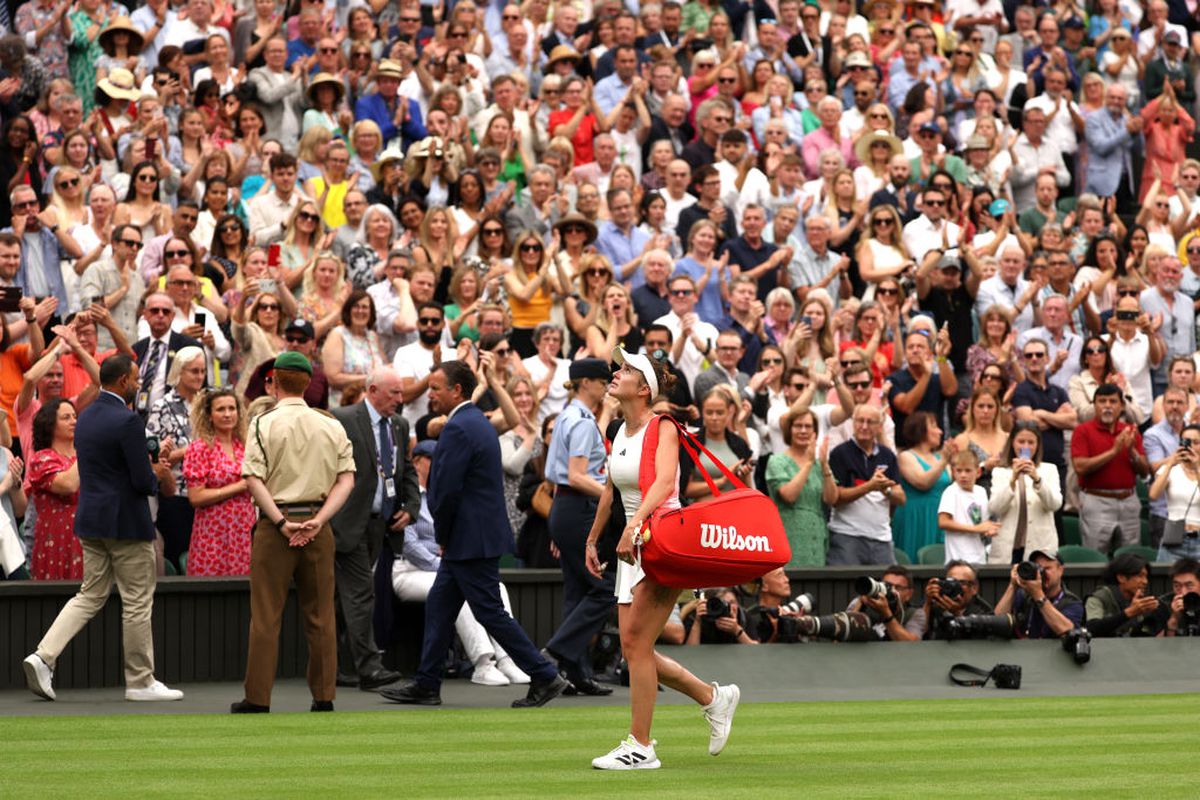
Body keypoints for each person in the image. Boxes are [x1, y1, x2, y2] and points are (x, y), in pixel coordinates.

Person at [584, 347, 740, 769]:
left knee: (635, 645)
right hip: (630, 546)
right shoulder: (618, 430)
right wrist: (593, 538)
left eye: (627, 369)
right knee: (638, 649)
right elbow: (610, 490)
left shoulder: (665, 427)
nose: (616, 373)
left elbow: (667, 483)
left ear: (644, 388)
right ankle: (714, 697)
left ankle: (641, 745)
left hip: (660, 543)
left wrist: (634, 528)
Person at [381, 361, 567, 708]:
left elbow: (445, 491)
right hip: (473, 538)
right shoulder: (475, 423)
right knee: (440, 605)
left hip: (468, 540)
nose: (430, 394)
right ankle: (427, 682)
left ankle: (544, 674)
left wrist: (445, 534)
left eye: (436, 388)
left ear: (457, 391)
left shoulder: (459, 428)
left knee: (490, 612)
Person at [23, 354, 181, 703]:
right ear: (124, 381)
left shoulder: (88, 415)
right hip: (126, 523)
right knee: (137, 601)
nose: (139, 384)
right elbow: (141, 480)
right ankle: (140, 681)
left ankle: (43, 655)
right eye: (136, 379)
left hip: (91, 523)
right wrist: (156, 472)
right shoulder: (127, 421)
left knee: (89, 595)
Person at [233, 351, 355, 713]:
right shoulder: (331, 424)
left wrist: (283, 523)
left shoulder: (263, 423)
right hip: (319, 523)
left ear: (273, 381)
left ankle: (257, 698)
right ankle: (324, 696)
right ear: (308, 383)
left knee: (266, 616)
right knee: (321, 616)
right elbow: (347, 479)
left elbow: (252, 478)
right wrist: (319, 520)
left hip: (276, 526)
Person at [391, 438, 531, 686]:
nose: (437, 465)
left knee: (498, 587)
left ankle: (507, 659)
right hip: (407, 571)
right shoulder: (406, 496)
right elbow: (410, 545)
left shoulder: (443, 494)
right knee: (464, 588)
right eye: (431, 459)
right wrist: (448, 565)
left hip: (445, 566)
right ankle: (483, 663)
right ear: (416, 461)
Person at [328, 368, 419, 692]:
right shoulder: (342, 418)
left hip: (380, 526)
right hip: (346, 524)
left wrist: (411, 507)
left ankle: (335, 666)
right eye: (394, 393)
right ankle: (369, 668)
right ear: (374, 389)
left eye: (401, 393)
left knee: (346, 597)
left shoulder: (399, 424)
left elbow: (405, 469)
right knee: (361, 593)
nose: (400, 399)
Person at [541, 358, 613, 696]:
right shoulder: (582, 421)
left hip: (565, 507)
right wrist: (614, 497)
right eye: (602, 381)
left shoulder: (567, 416)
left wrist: (561, 522)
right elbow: (577, 476)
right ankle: (556, 652)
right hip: (578, 505)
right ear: (586, 382)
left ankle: (575, 674)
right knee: (604, 588)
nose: (606, 386)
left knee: (576, 592)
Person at [183, 387, 255, 576]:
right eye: (220, 409)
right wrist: (238, 487)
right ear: (209, 415)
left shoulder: (247, 446)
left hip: (243, 530)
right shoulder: (200, 448)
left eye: (232, 409)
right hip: (212, 532)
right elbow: (195, 497)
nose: (227, 414)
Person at [1071, 383, 1150, 554]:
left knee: (1130, 557)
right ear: (1094, 405)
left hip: (1128, 500)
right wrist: (1114, 450)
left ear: (1121, 406)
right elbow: (1080, 467)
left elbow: (1144, 471)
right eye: (1102, 401)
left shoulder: (1130, 431)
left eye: (1113, 401)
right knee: (1095, 556)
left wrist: (1131, 450)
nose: (1107, 406)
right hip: (1096, 499)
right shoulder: (1082, 431)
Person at [826, 404, 906, 566]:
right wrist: (869, 486)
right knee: (845, 588)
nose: (864, 426)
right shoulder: (840, 453)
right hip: (847, 536)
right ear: (853, 423)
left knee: (888, 588)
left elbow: (901, 498)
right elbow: (836, 498)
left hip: (881, 538)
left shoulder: (887, 455)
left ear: (879, 427)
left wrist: (886, 489)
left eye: (870, 422)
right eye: (860, 421)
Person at [988, 422, 1063, 564]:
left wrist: (1037, 479)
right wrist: (1012, 480)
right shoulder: (1000, 472)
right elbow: (995, 508)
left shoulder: (1049, 470)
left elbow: (1054, 504)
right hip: (1008, 549)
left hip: (1040, 548)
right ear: (1012, 443)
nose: (1026, 447)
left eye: (1031, 442)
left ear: (1038, 445)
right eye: (1021, 441)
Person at [766, 409, 829, 567]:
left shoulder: (818, 464)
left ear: (815, 432)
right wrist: (808, 463)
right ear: (789, 430)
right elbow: (789, 495)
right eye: (798, 426)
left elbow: (831, 498)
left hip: (816, 536)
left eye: (808, 426)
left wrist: (825, 465)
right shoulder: (777, 461)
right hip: (790, 535)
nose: (803, 430)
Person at [27, 399, 81, 580]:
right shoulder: (42, 459)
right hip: (57, 539)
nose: (74, 421)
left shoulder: (86, 455)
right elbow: (68, 485)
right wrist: (87, 448)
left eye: (75, 416)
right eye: (66, 417)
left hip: (90, 536)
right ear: (50, 425)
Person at [893, 412, 954, 561]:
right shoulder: (906, 456)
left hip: (938, 516)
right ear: (921, 430)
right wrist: (944, 460)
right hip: (915, 516)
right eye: (934, 426)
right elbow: (922, 482)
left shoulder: (940, 457)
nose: (940, 431)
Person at [993, 549, 1085, 638]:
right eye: (1038, 568)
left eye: (1047, 568)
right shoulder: (1023, 595)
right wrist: (1013, 586)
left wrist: (1038, 595)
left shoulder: (1072, 602)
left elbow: (1067, 630)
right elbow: (996, 623)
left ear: (1060, 570)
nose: (1042, 573)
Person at [1147, 424, 1200, 562]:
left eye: (1196, 442)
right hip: (1175, 537)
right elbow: (1153, 495)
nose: (1191, 447)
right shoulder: (1171, 469)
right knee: (1166, 580)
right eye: (1187, 442)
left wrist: (1196, 469)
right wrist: (1170, 463)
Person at [938, 450, 1000, 565]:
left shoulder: (981, 491)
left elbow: (981, 523)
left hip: (979, 557)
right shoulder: (951, 491)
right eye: (959, 471)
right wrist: (976, 529)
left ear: (978, 472)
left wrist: (989, 530)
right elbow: (943, 522)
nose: (963, 475)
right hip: (957, 560)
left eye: (968, 470)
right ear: (953, 472)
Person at [1084, 552, 1161, 637]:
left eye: (1146, 577)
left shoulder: (1142, 602)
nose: (1145, 582)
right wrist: (1130, 612)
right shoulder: (1098, 599)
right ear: (1121, 577)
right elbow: (1091, 628)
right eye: (1140, 576)